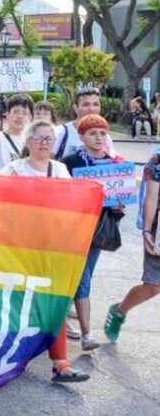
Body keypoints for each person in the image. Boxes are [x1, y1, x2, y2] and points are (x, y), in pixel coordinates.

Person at [0, 119, 87, 383]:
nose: (45, 143)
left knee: (54, 301)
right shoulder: (14, 170)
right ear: (28, 142)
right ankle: (5, 356)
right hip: (19, 249)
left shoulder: (60, 170)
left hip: (53, 249)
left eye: (49, 138)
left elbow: (74, 205)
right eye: (39, 138)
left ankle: (61, 363)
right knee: (16, 302)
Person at [60, 114, 124, 351]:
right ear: (81, 136)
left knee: (83, 278)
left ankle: (61, 321)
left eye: (102, 133)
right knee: (82, 280)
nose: (98, 138)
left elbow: (119, 204)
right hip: (73, 230)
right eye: (93, 133)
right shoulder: (70, 162)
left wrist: (118, 208)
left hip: (97, 232)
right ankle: (87, 333)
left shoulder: (115, 164)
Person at [105, 142, 160, 343]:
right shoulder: (157, 159)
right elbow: (151, 198)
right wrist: (147, 230)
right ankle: (120, 311)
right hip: (158, 229)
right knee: (153, 285)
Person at [0, 74, 34, 175]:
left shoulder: (32, 143)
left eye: (24, 113)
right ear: (7, 114)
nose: (20, 116)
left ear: (30, 117)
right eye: (15, 112)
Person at [53, 84, 115, 161]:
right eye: (86, 104)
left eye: (96, 104)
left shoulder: (106, 138)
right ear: (76, 108)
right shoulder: (61, 132)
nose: (91, 109)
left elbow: (112, 162)